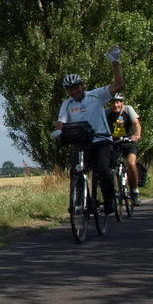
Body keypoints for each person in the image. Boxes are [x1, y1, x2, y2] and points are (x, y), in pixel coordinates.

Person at [54, 47, 125, 213]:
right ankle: (80, 202)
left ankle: (109, 200)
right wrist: (58, 130)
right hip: (82, 142)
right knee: (76, 171)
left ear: (82, 86)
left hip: (102, 140)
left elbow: (118, 85)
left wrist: (115, 62)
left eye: (76, 87)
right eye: (70, 89)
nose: (74, 91)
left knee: (102, 169)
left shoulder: (96, 95)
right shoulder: (67, 103)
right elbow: (61, 121)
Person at [105, 93, 143, 205]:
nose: (115, 105)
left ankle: (135, 191)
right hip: (114, 143)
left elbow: (136, 123)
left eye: (117, 102)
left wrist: (137, 134)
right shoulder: (107, 112)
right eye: (113, 103)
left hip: (129, 141)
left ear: (122, 103)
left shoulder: (128, 109)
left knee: (131, 163)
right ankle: (111, 195)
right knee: (108, 168)